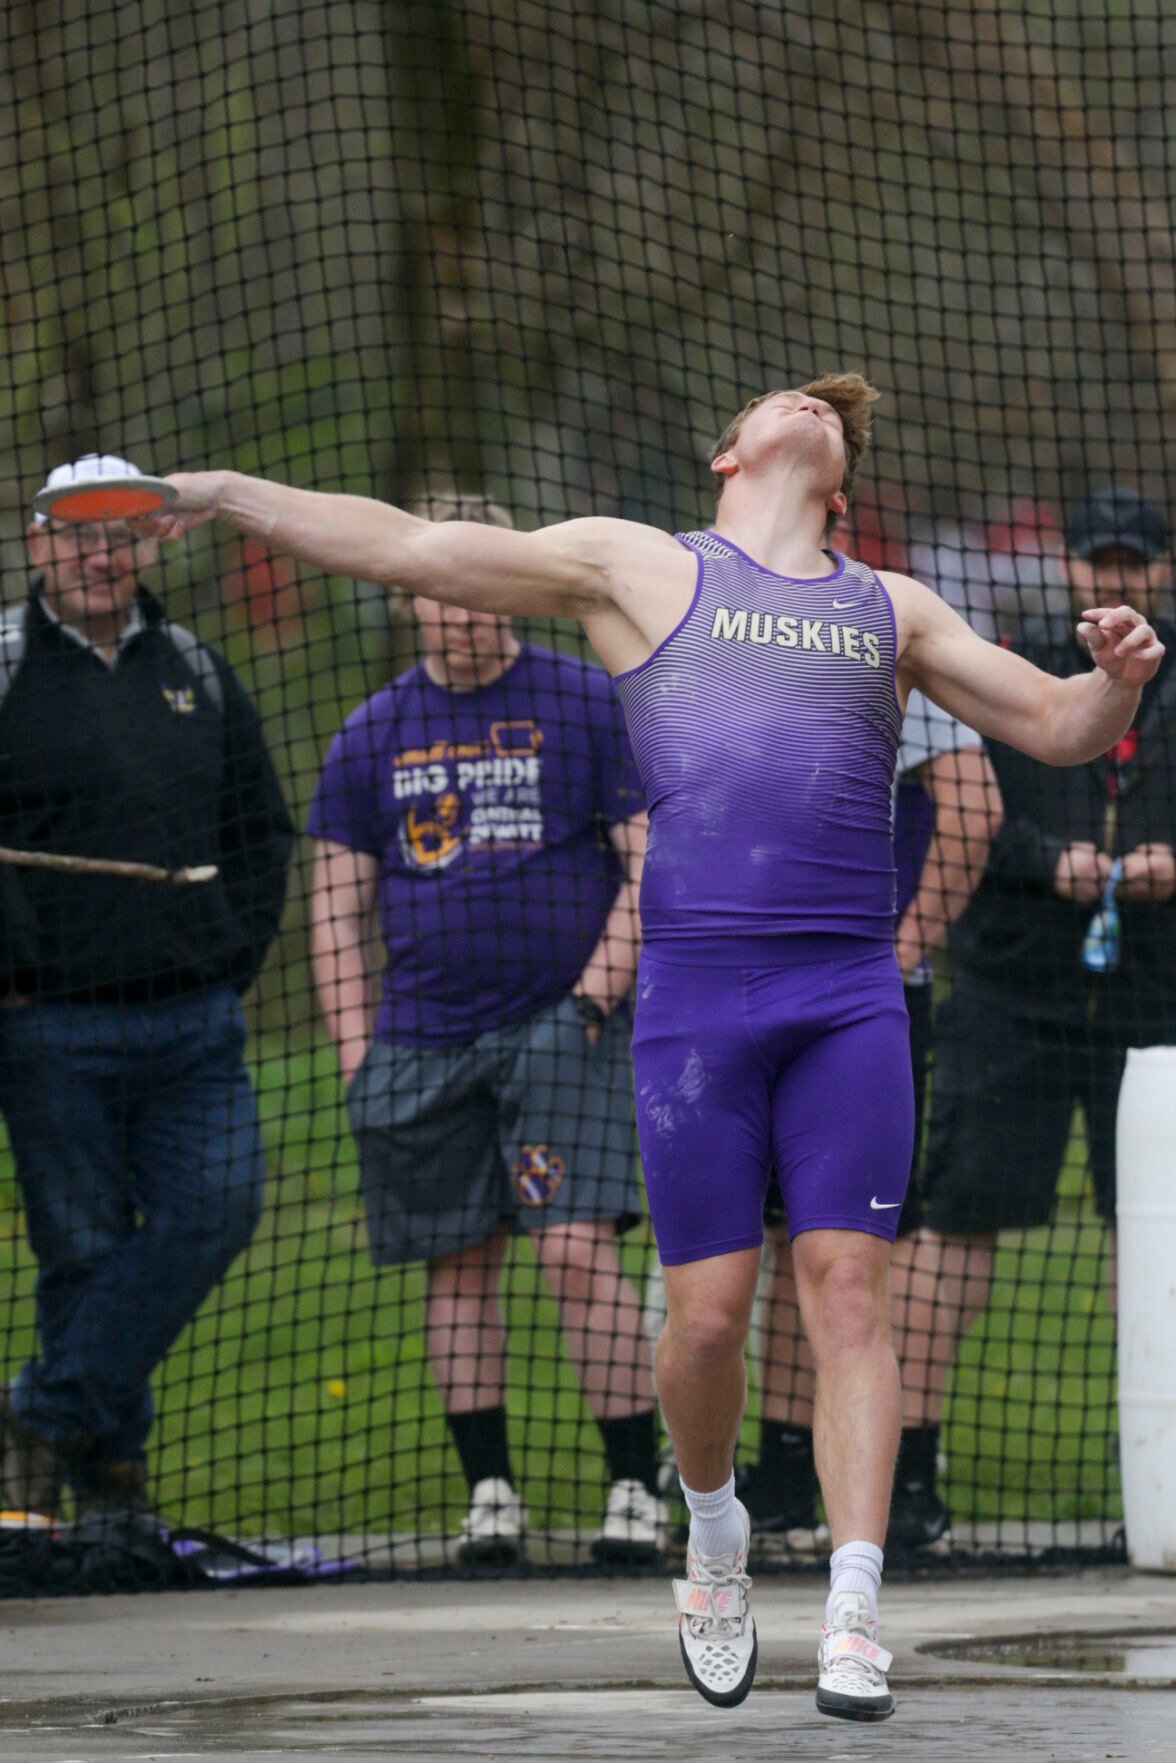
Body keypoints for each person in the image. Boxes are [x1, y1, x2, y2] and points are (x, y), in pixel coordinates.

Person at [138, 383, 1163, 1720]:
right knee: (709, 1317)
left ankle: (856, 1606)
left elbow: (1055, 724)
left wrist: (1120, 675)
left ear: (838, 480)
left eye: (824, 407)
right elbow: (403, 545)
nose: (803, 400)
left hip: (848, 993)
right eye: (777, 398)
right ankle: (714, 1521)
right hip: (699, 1004)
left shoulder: (892, 608)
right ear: (731, 453)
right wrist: (225, 495)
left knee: (850, 1287)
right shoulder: (638, 564)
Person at [306, 492, 663, 1566]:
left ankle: (636, 1491)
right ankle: (490, 1493)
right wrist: (358, 1052)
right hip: (422, 1041)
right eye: (436, 592)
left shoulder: (588, 699)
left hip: (565, 1028)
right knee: (456, 1264)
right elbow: (334, 903)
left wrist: (596, 999)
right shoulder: (372, 732)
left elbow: (651, 858)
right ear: (410, 595)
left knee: (574, 1252)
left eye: (477, 587)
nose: (458, 611)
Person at [0, 453, 293, 1525]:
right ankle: (108, 1480)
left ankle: (39, 1407)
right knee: (78, 1250)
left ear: (148, 545)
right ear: (38, 540)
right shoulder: (5, 665)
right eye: (76, 534)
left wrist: (231, 956)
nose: (98, 553)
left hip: (195, 1021)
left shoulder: (197, 670)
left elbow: (261, 833)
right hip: (47, 1030)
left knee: (216, 1212)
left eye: (119, 534)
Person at [895, 486, 1176, 1539]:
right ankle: (910, 1479)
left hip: (1156, 998)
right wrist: (1051, 862)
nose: (1115, 579)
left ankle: (1152, 1474)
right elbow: (963, 817)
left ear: (1160, 566)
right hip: (1010, 985)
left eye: (1134, 561)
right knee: (958, 1221)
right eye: (1099, 561)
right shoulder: (1003, 667)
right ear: (1067, 565)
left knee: (1149, 1232)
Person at [740, 690, 1003, 1556]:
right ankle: (779, 1484)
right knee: (780, 1235)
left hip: (860, 1006)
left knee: (856, 1245)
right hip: (740, 991)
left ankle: (883, 1500)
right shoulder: (708, 641)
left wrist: (898, 956)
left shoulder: (884, 639)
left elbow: (973, 806)